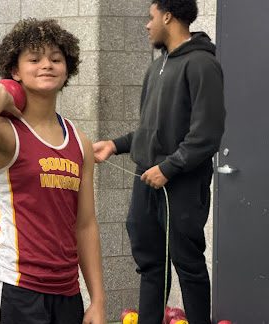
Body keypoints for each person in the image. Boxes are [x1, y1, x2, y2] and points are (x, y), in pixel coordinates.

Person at [0, 18, 106, 324]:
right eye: (34, 59)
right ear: (15, 70)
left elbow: (85, 225)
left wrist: (97, 300)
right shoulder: (4, 132)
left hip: (66, 292)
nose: (46, 65)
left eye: (56, 59)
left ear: (67, 69)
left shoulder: (79, 142)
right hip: (14, 289)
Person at [93, 0, 225, 323]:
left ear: (168, 16)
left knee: (188, 265)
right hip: (147, 181)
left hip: (181, 183)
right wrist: (114, 144)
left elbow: (207, 133)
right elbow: (150, 130)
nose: (146, 25)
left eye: (150, 17)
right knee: (151, 264)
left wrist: (169, 168)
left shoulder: (202, 65)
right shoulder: (157, 67)